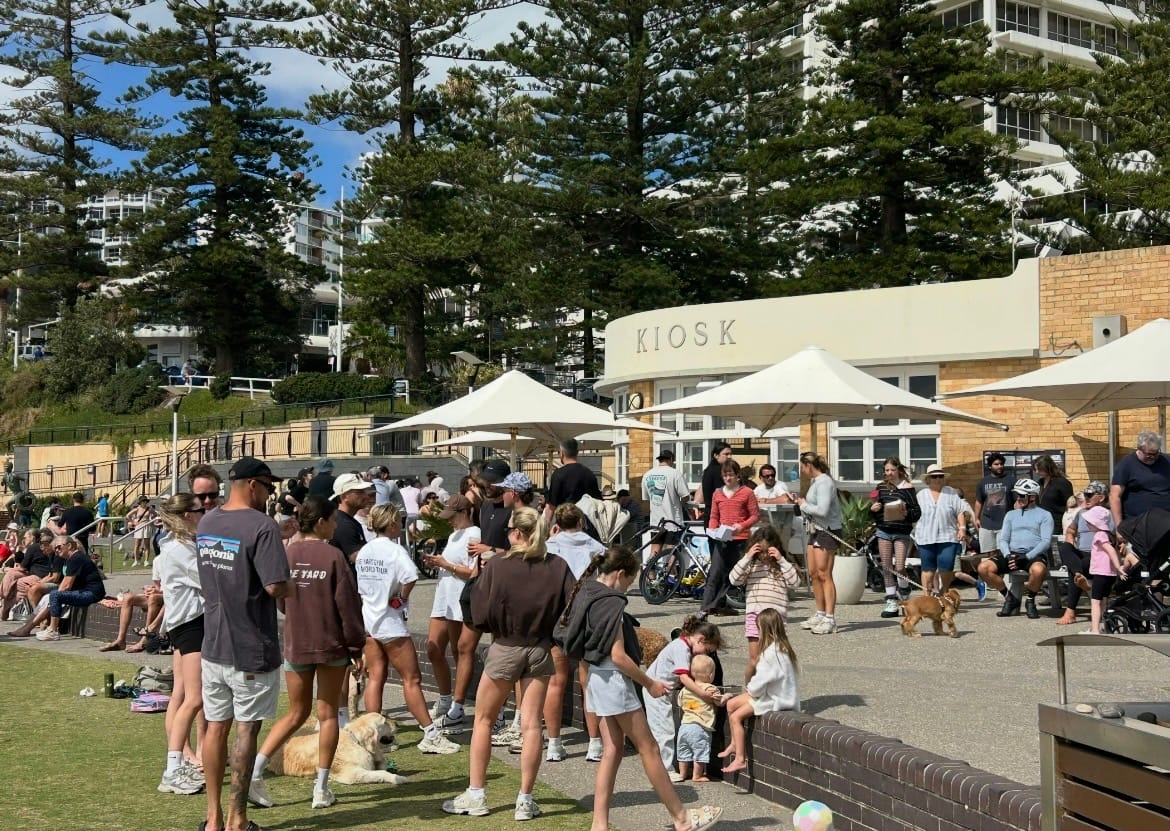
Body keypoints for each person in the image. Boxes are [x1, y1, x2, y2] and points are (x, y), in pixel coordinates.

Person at [556, 546, 723, 831]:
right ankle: (682, 819)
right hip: (613, 681)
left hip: (597, 677)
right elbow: (619, 656)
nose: (629, 587)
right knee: (650, 748)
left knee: (612, 750)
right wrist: (650, 683)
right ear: (621, 574)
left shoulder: (587, 591)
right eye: (630, 580)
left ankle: (599, 824)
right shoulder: (610, 602)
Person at [442, 506, 574, 820]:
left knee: (484, 721)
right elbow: (571, 607)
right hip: (540, 647)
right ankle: (525, 799)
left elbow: (480, 612)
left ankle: (476, 793)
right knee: (531, 726)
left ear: (516, 533)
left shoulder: (498, 566)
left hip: (506, 645)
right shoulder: (558, 566)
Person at [250, 495, 369, 810]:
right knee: (328, 715)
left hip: (296, 643)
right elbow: (348, 606)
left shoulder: (288, 553)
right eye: (332, 520)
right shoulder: (333, 556)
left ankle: (255, 772)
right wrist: (357, 645)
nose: (334, 526)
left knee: (295, 713)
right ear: (320, 522)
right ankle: (320, 788)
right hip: (330, 645)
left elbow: (278, 597)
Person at [195, 457, 292, 831]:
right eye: (268, 487)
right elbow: (274, 586)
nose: (269, 495)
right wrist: (291, 584)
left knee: (215, 727)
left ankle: (214, 819)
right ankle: (238, 819)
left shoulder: (208, 521)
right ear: (254, 485)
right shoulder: (261, 525)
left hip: (214, 643)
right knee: (246, 730)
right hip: (251, 645)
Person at [355, 504, 461, 755]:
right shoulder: (395, 550)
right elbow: (411, 576)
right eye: (397, 520)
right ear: (391, 523)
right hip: (391, 622)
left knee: (376, 678)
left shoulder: (365, 550)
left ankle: (373, 737)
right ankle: (430, 734)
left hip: (369, 619)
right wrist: (400, 598)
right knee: (411, 679)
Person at [156, 493, 210, 797]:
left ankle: (178, 765)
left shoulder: (184, 545)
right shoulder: (179, 550)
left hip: (190, 624)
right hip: (190, 626)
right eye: (199, 509)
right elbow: (208, 580)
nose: (204, 512)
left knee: (190, 697)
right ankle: (172, 768)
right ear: (188, 515)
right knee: (194, 698)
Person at [544, 502, 606, 762]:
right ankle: (594, 743)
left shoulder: (550, 546)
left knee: (556, 680)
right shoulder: (597, 547)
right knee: (587, 680)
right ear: (580, 521)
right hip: (587, 615)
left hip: (558, 615)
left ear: (558, 522)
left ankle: (555, 743)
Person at [422, 494, 480, 732]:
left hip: (460, 597)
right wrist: (436, 563)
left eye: (452, 517)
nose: (450, 522)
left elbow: (474, 571)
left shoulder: (474, 533)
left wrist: (446, 565)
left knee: (461, 650)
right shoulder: (455, 534)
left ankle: (458, 703)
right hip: (444, 596)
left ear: (464, 513)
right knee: (434, 648)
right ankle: (447, 698)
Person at [718, 608, 799, 774]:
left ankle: (740, 758)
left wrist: (750, 691)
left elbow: (759, 683)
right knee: (731, 704)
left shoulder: (771, 655)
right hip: (773, 693)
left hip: (775, 698)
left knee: (735, 717)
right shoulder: (782, 649)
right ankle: (734, 743)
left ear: (764, 630)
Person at [643, 615, 723, 781]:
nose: (706, 655)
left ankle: (666, 766)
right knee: (664, 731)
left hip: (661, 691)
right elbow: (684, 677)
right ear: (700, 639)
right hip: (657, 691)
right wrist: (702, 693)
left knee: (666, 728)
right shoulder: (682, 648)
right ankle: (664, 770)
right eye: (707, 651)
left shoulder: (681, 645)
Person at [729, 525, 800, 684]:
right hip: (755, 615)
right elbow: (733, 579)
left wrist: (781, 559)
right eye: (761, 551)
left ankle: (774, 692)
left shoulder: (781, 565)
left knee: (776, 658)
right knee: (755, 660)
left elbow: (795, 583)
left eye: (768, 551)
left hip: (776, 618)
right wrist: (747, 557)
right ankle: (748, 689)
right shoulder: (751, 565)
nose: (765, 555)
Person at [977, 478, 1053, 619]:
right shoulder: (1011, 515)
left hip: (1032, 555)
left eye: (1022, 495)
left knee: (1038, 570)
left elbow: (1046, 541)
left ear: (1032, 496)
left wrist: (1027, 556)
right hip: (1012, 554)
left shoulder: (1045, 515)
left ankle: (1030, 600)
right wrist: (1007, 555)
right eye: (1018, 495)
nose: (1019, 498)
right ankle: (1010, 598)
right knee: (984, 568)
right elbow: (1004, 540)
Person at [10, 535, 103, 641]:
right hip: (82, 591)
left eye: (59, 547)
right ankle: (27, 628)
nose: (57, 550)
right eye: (55, 548)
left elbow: (66, 585)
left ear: (69, 546)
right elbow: (65, 583)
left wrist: (53, 599)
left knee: (54, 595)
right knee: (49, 597)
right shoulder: (70, 559)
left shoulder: (76, 558)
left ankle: (52, 630)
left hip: (91, 593)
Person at [702, 459, 759, 618]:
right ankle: (703, 611)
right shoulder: (717, 493)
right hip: (722, 539)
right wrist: (713, 528)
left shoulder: (747, 492)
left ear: (737, 476)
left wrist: (742, 525)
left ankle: (719, 605)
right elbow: (714, 515)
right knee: (714, 574)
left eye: (731, 475)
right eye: (725, 475)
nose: (728, 478)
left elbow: (755, 515)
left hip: (740, 539)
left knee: (734, 575)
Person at [794, 452, 842, 635]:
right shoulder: (815, 482)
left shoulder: (825, 482)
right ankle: (820, 612)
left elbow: (822, 510)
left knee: (824, 573)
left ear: (808, 465)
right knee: (814, 573)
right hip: (814, 529)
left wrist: (803, 504)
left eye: (802, 466)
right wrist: (803, 504)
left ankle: (830, 618)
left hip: (827, 530)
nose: (802, 470)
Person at [869, 457, 920, 617]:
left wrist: (906, 513)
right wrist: (873, 509)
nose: (889, 473)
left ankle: (904, 589)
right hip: (884, 530)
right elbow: (874, 511)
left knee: (899, 566)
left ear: (898, 470)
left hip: (901, 531)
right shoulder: (881, 487)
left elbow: (916, 512)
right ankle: (891, 601)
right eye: (886, 470)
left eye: (892, 470)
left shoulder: (908, 488)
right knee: (886, 566)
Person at [1057, 482, 1109, 625]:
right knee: (1065, 548)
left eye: (1089, 495)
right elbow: (1070, 531)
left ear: (1101, 498)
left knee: (1077, 568)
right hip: (1081, 555)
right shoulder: (1081, 513)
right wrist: (1070, 540)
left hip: (1098, 556)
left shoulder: (1106, 514)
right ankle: (1080, 577)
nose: (1085, 498)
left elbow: (1115, 538)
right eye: (1085, 494)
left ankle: (1070, 611)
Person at [913, 464, 967, 598]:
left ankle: (944, 591)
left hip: (947, 535)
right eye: (934, 476)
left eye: (940, 476)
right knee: (927, 568)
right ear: (928, 479)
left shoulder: (951, 493)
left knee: (947, 566)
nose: (938, 479)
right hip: (925, 535)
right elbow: (913, 513)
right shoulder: (921, 495)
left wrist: (962, 528)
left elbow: (960, 511)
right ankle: (927, 595)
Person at [676, 654, 720, 783]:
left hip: (685, 726)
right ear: (711, 676)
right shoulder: (710, 688)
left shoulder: (685, 689)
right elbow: (719, 702)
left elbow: (679, 703)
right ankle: (697, 775)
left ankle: (682, 774)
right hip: (700, 727)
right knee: (700, 752)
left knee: (683, 752)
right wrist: (726, 696)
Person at [1110, 430, 1170, 525]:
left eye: (1156, 453)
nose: (1152, 457)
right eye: (1149, 454)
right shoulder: (1126, 464)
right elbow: (1115, 496)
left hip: (1165, 523)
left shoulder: (1167, 461)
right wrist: (1119, 526)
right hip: (1137, 525)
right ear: (1139, 448)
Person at [1083, 505, 1125, 634]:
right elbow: (1115, 551)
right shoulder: (1109, 535)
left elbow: (1111, 550)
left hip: (1101, 573)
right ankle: (1104, 626)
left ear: (1096, 523)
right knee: (1104, 601)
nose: (1087, 524)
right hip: (1109, 574)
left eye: (1089, 522)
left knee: (1095, 602)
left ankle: (1095, 629)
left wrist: (1118, 567)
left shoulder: (1099, 536)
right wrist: (1117, 568)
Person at [642, 448, 692, 556]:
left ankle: (649, 572)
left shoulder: (647, 475)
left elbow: (647, 498)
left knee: (654, 550)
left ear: (659, 460)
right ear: (671, 459)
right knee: (672, 552)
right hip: (672, 520)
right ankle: (672, 573)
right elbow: (685, 497)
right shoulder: (675, 473)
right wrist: (682, 502)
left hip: (656, 521)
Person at [544, 437, 602, 523]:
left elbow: (551, 507)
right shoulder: (589, 474)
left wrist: (545, 529)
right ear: (577, 452)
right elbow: (598, 502)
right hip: (586, 524)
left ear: (562, 453)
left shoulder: (558, 474)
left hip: (565, 523)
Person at [974, 453, 1016, 556]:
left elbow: (1017, 502)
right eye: (996, 464)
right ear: (990, 466)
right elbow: (979, 501)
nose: (999, 466)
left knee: (1003, 552)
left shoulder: (1011, 480)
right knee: (989, 553)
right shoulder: (983, 482)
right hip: (987, 523)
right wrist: (976, 518)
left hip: (1004, 523)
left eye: (1001, 464)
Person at [330, 473, 374, 563]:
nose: (366, 496)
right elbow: (358, 559)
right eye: (359, 492)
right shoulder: (344, 524)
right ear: (344, 496)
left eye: (364, 491)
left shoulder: (346, 520)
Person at [694, 443, 733, 525]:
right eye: (726, 454)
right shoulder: (717, 471)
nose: (729, 457)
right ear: (716, 455)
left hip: (712, 514)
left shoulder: (709, 470)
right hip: (718, 516)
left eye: (730, 454)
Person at [1033, 455, 1074, 529]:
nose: (1036, 472)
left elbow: (1070, 504)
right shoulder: (1039, 483)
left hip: (1057, 523)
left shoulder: (1062, 483)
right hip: (1041, 523)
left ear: (1047, 468)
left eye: (1039, 469)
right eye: (1035, 469)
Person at [126, 497, 156, 567]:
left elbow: (155, 514)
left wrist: (151, 521)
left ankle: (146, 560)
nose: (144, 502)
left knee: (147, 545)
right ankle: (136, 560)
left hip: (147, 526)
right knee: (137, 544)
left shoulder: (149, 509)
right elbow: (128, 516)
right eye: (143, 501)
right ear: (140, 502)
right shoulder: (137, 509)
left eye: (145, 501)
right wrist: (133, 522)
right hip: (139, 526)